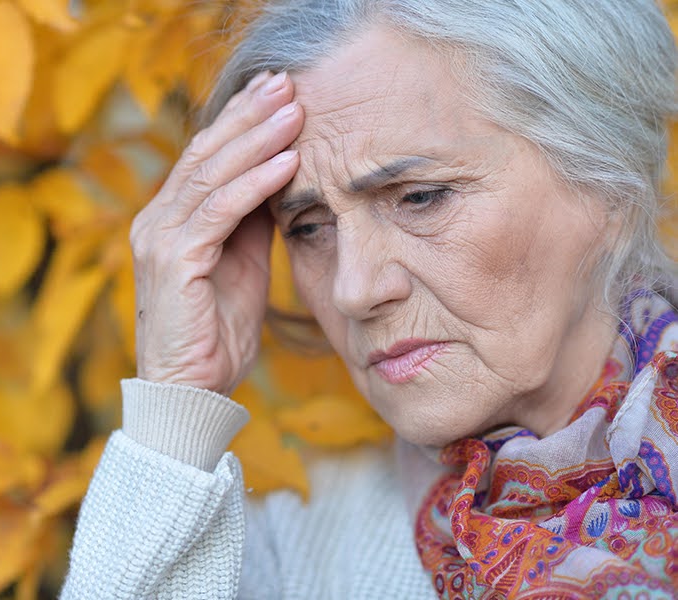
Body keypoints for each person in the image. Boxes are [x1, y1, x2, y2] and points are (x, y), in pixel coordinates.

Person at [60, 0, 678, 597]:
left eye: (419, 197)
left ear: (608, 183)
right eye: (307, 227)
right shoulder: (295, 540)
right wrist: (175, 411)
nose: (352, 290)